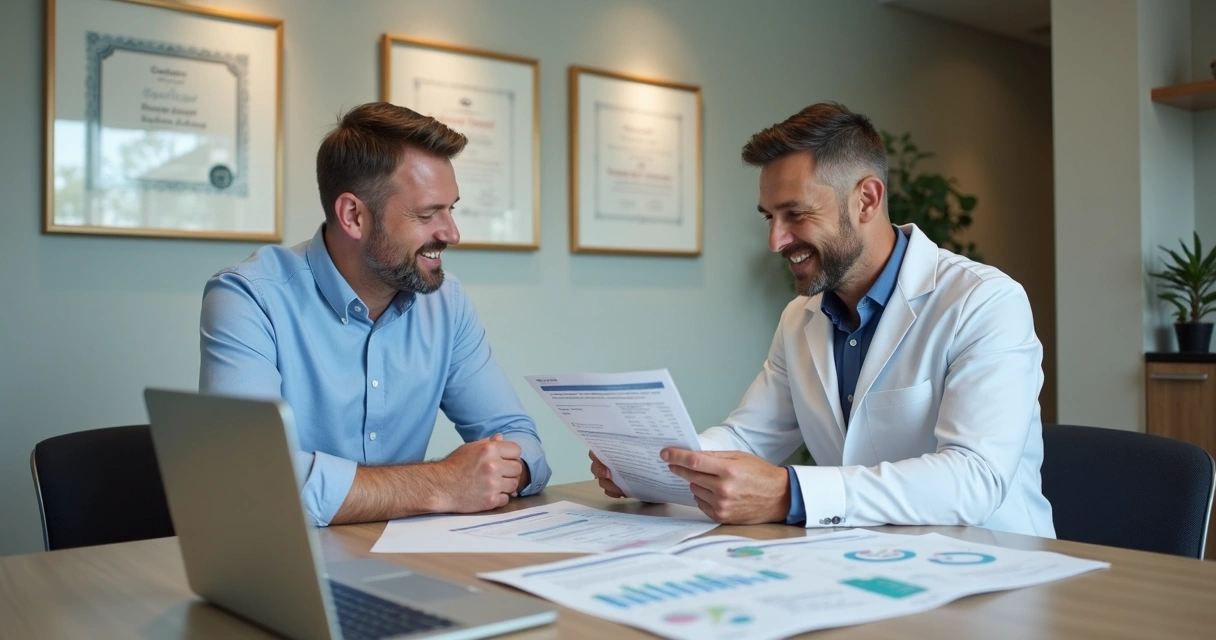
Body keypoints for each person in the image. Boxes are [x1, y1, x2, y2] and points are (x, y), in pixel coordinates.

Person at [590, 102, 1054, 537]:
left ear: (867, 200)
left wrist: (790, 494)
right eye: (768, 217)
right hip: (867, 567)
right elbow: (748, 437)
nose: (776, 240)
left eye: (795, 214)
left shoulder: (985, 301)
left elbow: (974, 479)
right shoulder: (800, 318)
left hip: (992, 570)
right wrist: (649, 466)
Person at [200, 102, 551, 527]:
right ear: (353, 216)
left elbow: (519, 438)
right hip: (291, 567)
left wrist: (500, 471)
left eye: (451, 209)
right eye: (426, 215)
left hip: (409, 561)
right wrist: (440, 483)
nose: (451, 233)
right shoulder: (247, 298)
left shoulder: (447, 302)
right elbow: (250, 479)